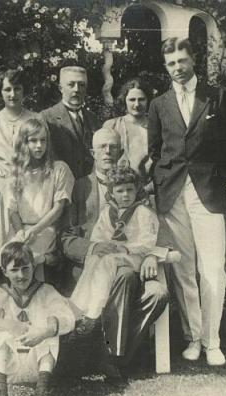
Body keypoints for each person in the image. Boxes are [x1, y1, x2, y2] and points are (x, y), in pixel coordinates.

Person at [148, 37, 226, 366]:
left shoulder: (216, 98)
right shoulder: (159, 105)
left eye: (182, 61)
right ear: (166, 66)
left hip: (208, 193)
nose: (177, 67)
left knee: (212, 269)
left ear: (193, 60)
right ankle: (192, 338)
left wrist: (217, 175)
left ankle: (212, 342)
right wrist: (163, 183)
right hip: (172, 195)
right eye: (171, 63)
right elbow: (155, 151)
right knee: (184, 270)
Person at [61, 128, 168, 379]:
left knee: (148, 288)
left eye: (113, 147)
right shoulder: (79, 188)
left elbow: (155, 234)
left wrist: (151, 255)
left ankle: (110, 350)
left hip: (133, 261)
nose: (108, 152)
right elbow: (67, 237)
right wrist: (94, 247)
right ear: (93, 153)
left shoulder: (141, 202)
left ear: (121, 152)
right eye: (102, 147)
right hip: (95, 267)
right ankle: (106, 352)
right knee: (115, 271)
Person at [0, 242, 75, 396]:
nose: (21, 275)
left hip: (40, 364)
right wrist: (8, 324)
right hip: (8, 367)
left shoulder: (46, 291)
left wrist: (44, 331)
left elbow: (67, 318)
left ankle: (44, 394)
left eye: (26, 268)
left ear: (33, 267)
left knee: (50, 327)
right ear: (4, 272)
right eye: (14, 270)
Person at [0, 68, 41, 266]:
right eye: (7, 89)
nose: (13, 94)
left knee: (27, 242)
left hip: (29, 187)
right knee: (2, 243)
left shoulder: (35, 119)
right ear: (1, 92)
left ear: (24, 91)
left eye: (17, 89)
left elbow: (43, 155)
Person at [2, 118, 74, 269]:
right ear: (24, 143)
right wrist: (20, 231)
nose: (39, 145)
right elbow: (12, 210)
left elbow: (58, 208)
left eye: (43, 140)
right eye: (33, 141)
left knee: (26, 259)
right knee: (4, 260)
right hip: (21, 230)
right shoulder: (15, 172)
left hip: (46, 229)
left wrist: (35, 230)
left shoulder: (59, 169)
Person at [41, 66, 99, 196]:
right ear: (61, 88)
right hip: (60, 192)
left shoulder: (93, 118)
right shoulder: (46, 118)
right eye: (71, 84)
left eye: (81, 85)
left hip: (90, 192)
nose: (76, 89)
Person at [102, 78, 153, 186]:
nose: (137, 104)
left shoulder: (157, 126)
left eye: (141, 99)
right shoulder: (112, 126)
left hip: (151, 187)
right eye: (132, 100)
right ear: (124, 100)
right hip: (119, 187)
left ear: (148, 100)